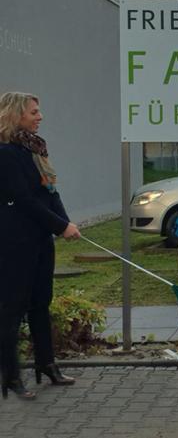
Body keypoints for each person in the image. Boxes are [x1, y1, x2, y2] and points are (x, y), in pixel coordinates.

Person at [0, 92, 81, 400]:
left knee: (40, 303)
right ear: (16, 115)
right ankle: (10, 376)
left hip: (39, 240)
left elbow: (50, 191)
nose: (40, 116)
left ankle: (47, 365)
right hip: (15, 242)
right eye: (34, 112)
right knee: (11, 310)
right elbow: (23, 200)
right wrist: (59, 226)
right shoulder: (6, 153)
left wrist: (65, 222)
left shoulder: (35, 148)